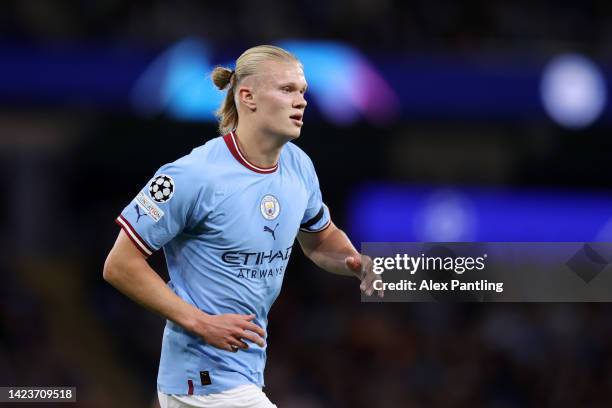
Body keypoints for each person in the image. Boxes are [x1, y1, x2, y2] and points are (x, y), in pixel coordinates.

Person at [103, 45, 382, 408]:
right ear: (247, 96)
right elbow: (119, 265)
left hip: (244, 373)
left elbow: (320, 237)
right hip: (201, 378)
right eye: (286, 90)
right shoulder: (192, 175)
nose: (301, 101)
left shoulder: (298, 166)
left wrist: (352, 261)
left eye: (302, 91)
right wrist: (201, 322)